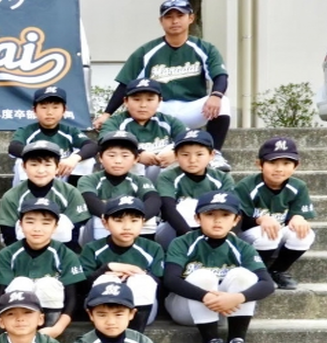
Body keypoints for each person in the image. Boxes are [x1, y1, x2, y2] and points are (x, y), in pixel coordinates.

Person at [93, 0, 232, 172]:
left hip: (193, 108)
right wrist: (107, 113)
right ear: (161, 21)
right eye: (169, 17)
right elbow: (125, 84)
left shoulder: (204, 48)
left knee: (223, 101)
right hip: (160, 109)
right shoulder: (147, 50)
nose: (175, 21)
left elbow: (220, 76)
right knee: (143, 108)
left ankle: (215, 154)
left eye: (180, 15)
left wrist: (216, 95)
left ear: (191, 18)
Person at [164, 190, 276, 343]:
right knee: (203, 276)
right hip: (185, 310)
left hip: (226, 310)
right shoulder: (183, 242)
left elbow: (267, 284)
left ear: (236, 220)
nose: (217, 220)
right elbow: (170, 280)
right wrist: (206, 296)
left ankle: (237, 342)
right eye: (210, 214)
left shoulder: (242, 247)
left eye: (225, 215)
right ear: (197, 218)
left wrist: (237, 298)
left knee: (244, 275)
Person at [0, 196, 85, 339]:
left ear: (55, 226)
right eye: (30, 222)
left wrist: (58, 328)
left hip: (52, 322)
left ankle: (47, 329)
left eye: (46, 223)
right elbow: (0, 295)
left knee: (48, 283)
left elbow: (72, 297)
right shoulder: (8, 254)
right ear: (20, 225)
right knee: (21, 282)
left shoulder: (65, 254)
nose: (37, 229)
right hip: (17, 319)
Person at [234, 137, 316, 290]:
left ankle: (278, 270)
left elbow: (297, 214)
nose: (279, 169)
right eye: (272, 163)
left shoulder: (298, 186)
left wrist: (298, 217)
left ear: (296, 166)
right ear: (259, 164)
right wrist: (260, 219)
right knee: (267, 233)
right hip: (248, 238)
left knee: (305, 234)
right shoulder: (247, 185)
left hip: (275, 237)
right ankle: (258, 272)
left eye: (286, 163)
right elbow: (237, 219)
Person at [79, 196, 165, 332]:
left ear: (143, 222)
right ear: (105, 223)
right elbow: (81, 285)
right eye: (118, 220)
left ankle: (136, 335)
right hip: (103, 309)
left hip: (141, 309)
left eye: (134, 220)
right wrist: (106, 268)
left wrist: (140, 273)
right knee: (106, 279)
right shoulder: (92, 248)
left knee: (141, 280)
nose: (127, 227)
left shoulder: (152, 248)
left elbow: (160, 285)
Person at [0, 140, 90, 250]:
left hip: (62, 249)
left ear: (57, 167)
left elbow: (77, 228)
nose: (41, 170)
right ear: (24, 167)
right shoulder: (12, 195)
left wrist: (62, 254)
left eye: (47, 165)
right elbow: (8, 231)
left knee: (68, 224)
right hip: (23, 247)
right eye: (34, 165)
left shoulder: (70, 192)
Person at [155, 129, 235, 249]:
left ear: (211, 155)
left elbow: (230, 208)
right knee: (185, 207)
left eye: (199, 154)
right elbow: (168, 208)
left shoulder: (222, 178)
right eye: (185, 154)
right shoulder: (168, 176)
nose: (192, 160)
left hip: (212, 227)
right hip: (174, 229)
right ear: (176, 155)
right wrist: (189, 236)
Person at [78, 131, 161, 244]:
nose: (118, 161)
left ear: (136, 159)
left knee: (147, 220)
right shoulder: (89, 180)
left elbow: (154, 200)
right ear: (100, 157)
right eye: (111, 155)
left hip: (132, 228)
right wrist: (116, 220)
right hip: (101, 227)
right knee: (97, 220)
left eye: (125, 156)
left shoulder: (140, 181)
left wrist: (133, 220)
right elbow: (90, 201)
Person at [98, 78, 187, 182]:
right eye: (137, 99)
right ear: (126, 101)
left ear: (159, 101)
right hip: (129, 175)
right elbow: (105, 141)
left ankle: (170, 190)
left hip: (160, 171)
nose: (143, 105)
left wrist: (175, 153)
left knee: (180, 152)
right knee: (126, 156)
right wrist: (138, 154)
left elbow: (189, 139)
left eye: (149, 100)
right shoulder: (116, 121)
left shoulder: (169, 121)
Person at [9, 86, 99, 187]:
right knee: (22, 162)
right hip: (38, 172)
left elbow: (91, 146)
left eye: (55, 107)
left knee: (86, 161)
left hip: (61, 173)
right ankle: (27, 195)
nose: (49, 112)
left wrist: (73, 159)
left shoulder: (70, 131)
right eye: (44, 107)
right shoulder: (27, 131)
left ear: (64, 110)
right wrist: (44, 159)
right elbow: (14, 147)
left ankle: (75, 194)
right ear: (34, 110)